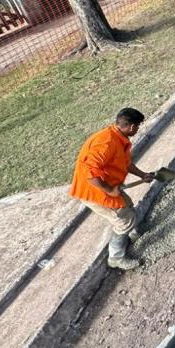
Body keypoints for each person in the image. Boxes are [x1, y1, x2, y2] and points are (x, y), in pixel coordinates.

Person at [69, 108, 154, 270]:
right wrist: (109, 190)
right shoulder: (106, 143)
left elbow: (126, 163)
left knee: (127, 206)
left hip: (106, 187)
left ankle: (132, 233)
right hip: (95, 192)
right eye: (138, 126)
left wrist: (143, 175)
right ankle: (116, 258)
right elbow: (89, 173)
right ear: (131, 127)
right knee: (122, 220)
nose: (138, 129)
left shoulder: (117, 137)